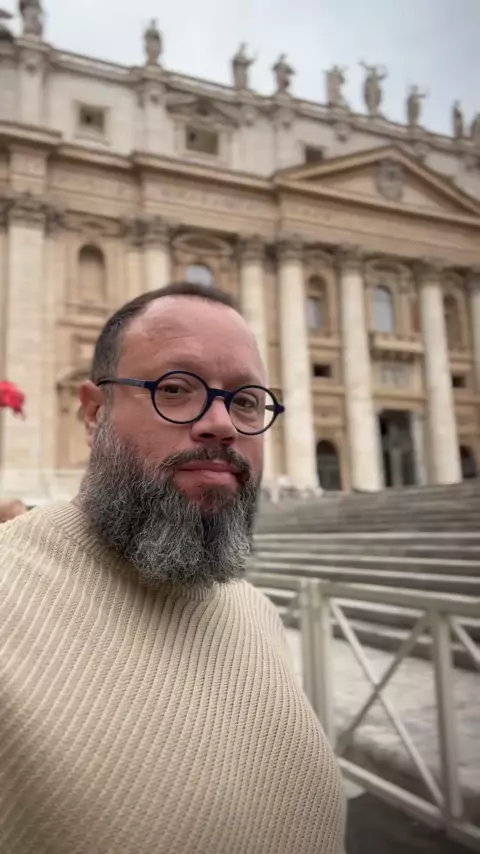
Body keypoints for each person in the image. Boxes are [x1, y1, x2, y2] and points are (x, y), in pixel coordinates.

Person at [0, 282, 345, 854]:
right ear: (94, 412)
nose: (222, 424)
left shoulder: (255, 612)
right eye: (177, 389)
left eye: (246, 401)